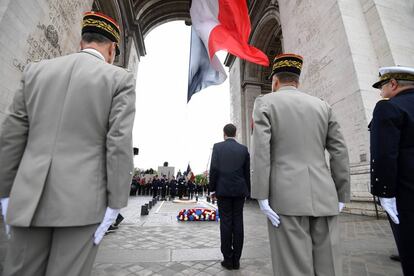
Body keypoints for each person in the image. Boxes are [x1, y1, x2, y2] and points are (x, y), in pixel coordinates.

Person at [0, 11, 135, 276]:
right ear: (112, 49)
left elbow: (11, 137)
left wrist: (5, 194)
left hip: (28, 200)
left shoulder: (35, 71)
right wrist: (115, 203)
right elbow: (118, 143)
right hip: (82, 205)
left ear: (81, 42)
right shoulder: (119, 79)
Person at [250, 53, 350, 276]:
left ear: (275, 81)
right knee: (329, 266)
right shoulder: (323, 106)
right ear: (298, 81)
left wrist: (261, 195)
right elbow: (340, 151)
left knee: (293, 268)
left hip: (285, 198)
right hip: (325, 196)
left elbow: (261, 152)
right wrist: (342, 194)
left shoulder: (265, 102)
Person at [370, 66, 414, 276]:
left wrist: (384, 192)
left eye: (382, 86)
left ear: (394, 84)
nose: (381, 92)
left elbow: (385, 154)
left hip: (406, 193)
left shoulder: (388, 107)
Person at [209, 123, 250, 270]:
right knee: (238, 223)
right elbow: (246, 173)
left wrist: (212, 189)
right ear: (236, 133)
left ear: (224, 133)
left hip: (223, 191)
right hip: (239, 191)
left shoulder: (218, 147)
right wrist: (248, 191)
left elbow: (214, 169)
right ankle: (236, 260)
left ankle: (228, 259)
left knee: (226, 224)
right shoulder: (243, 149)